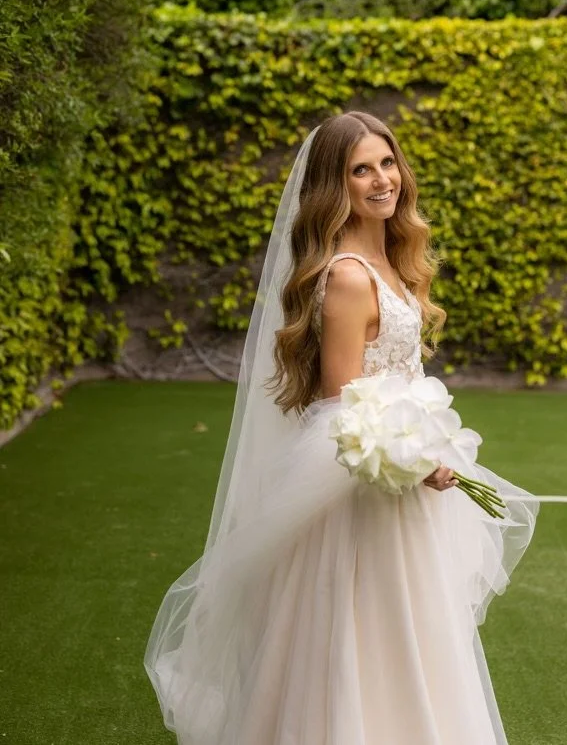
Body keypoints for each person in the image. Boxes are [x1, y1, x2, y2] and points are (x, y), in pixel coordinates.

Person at [144, 111, 539, 745]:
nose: (382, 180)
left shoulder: (388, 259)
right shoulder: (350, 276)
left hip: (406, 484)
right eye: (361, 170)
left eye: (388, 163)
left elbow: (393, 380)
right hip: (371, 492)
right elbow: (343, 405)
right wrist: (412, 458)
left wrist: (428, 440)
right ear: (337, 185)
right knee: (370, 631)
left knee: (414, 630)